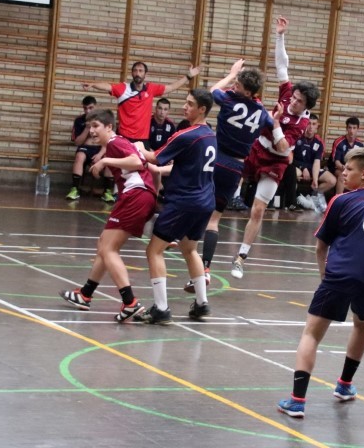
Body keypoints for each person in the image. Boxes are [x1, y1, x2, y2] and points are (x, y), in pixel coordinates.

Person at [277, 147, 364, 418]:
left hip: (340, 276)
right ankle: (344, 385)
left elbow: (321, 246)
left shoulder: (340, 201)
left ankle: (297, 400)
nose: (343, 173)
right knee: (363, 324)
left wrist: (325, 278)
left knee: (311, 333)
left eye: (349, 169)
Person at [230, 16, 319, 280]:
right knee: (221, 179)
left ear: (306, 106)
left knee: (258, 209)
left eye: (299, 101)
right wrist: (280, 36)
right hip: (256, 148)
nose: (293, 102)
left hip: (275, 161)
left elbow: (283, 147)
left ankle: (241, 257)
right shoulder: (287, 94)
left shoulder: (302, 124)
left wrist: (276, 122)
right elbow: (282, 65)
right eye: (294, 97)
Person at [183, 59, 273, 293]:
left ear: (248, 91)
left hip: (215, 159)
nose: (234, 86)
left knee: (195, 201)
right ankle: (206, 269)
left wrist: (232, 74)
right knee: (214, 219)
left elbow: (213, 90)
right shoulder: (262, 113)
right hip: (235, 168)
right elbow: (271, 124)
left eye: (238, 85)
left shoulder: (230, 100)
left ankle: (179, 235)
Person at [59, 109, 157, 322]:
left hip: (136, 195)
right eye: (90, 127)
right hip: (139, 196)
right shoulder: (117, 143)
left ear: (109, 127)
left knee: (108, 249)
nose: (92, 131)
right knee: (104, 244)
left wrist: (105, 162)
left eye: (96, 126)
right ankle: (85, 294)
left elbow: (137, 162)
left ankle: (130, 302)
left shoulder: (114, 142)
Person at [134, 89, 217, 324]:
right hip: (205, 201)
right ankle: (201, 304)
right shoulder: (210, 135)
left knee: (154, 250)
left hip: (184, 202)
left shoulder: (186, 135)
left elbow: (154, 157)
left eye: (190, 104)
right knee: (190, 249)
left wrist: (139, 147)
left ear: (202, 109)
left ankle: (161, 308)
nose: (184, 107)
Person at [82, 61, 201, 147]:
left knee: (142, 169)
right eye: (135, 70)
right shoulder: (123, 88)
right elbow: (108, 86)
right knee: (114, 168)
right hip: (124, 137)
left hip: (142, 139)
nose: (137, 73)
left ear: (145, 74)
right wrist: (93, 84)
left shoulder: (151, 88)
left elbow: (171, 87)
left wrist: (188, 76)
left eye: (140, 71)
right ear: (132, 73)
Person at [66, 96, 114, 203]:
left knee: (109, 158)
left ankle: (108, 192)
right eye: (85, 108)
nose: (88, 111)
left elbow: (109, 140)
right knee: (79, 156)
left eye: (91, 108)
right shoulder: (79, 120)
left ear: (96, 107)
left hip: (100, 148)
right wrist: (87, 128)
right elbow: (77, 142)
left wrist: (100, 155)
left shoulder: (103, 121)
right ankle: (75, 189)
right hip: (86, 148)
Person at [293, 114, 335, 212]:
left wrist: (315, 179)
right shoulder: (297, 137)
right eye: (309, 123)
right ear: (305, 124)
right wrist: (303, 168)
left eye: (314, 124)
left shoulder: (319, 142)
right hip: (298, 167)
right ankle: (294, 200)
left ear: (317, 126)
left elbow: (317, 162)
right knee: (293, 173)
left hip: (312, 168)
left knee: (332, 180)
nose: (311, 126)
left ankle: (313, 196)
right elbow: (291, 159)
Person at [330, 116, 364, 195]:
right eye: (350, 128)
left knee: (361, 178)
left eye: (354, 128)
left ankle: (355, 200)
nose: (351, 131)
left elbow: (360, 162)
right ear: (346, 129)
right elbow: (337, 162)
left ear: (358, 129)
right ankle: (338, 199)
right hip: (338, 168)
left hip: (352, 169)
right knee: (342, 175)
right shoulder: (339, 142)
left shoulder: (360, 145)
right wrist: (345, 169)